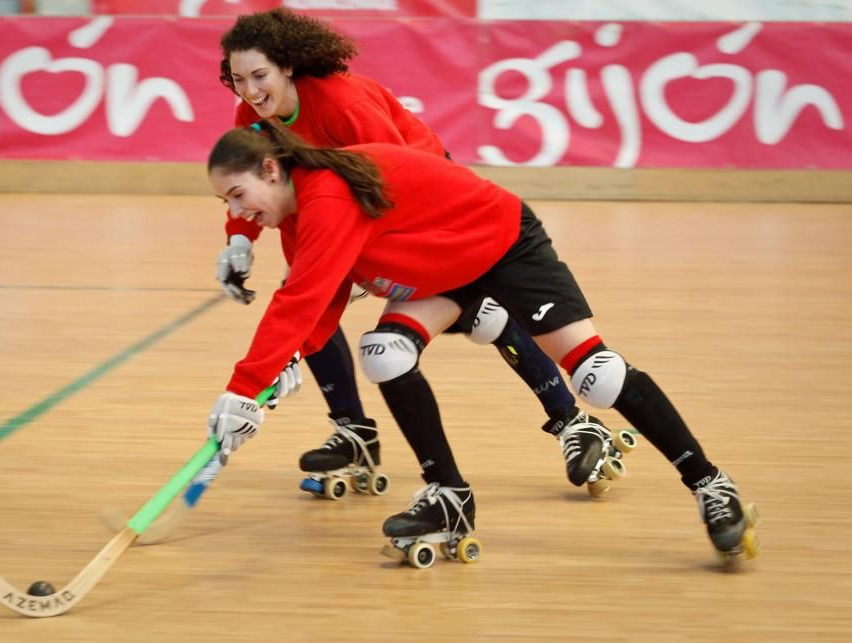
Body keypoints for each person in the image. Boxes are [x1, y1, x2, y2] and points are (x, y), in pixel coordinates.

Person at [203, 121, 759, 565]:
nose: (236, 212)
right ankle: (450, 498)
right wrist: (279, 372)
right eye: (225, 203)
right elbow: (320, 303)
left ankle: (710, 483)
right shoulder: (297, 215)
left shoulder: (325, 196)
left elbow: (299, 299)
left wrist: (244, 388)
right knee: (385, 353)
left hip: (503, 243)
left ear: (271, 170)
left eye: (238, 194)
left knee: (599, 376)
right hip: (444, 271)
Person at [213, 8, 628, 498]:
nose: (250, 91)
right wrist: (240, 237)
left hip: (419, 202)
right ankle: (356, 433)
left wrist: (362, 262)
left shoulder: (343, 105)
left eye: (259, 76)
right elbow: (254, 176)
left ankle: (572, 422)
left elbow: (397, 180)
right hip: (337, 209)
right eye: (238, 80)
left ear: (287, 67)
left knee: (482, 314)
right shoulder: (252, 116)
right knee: (305, 299)